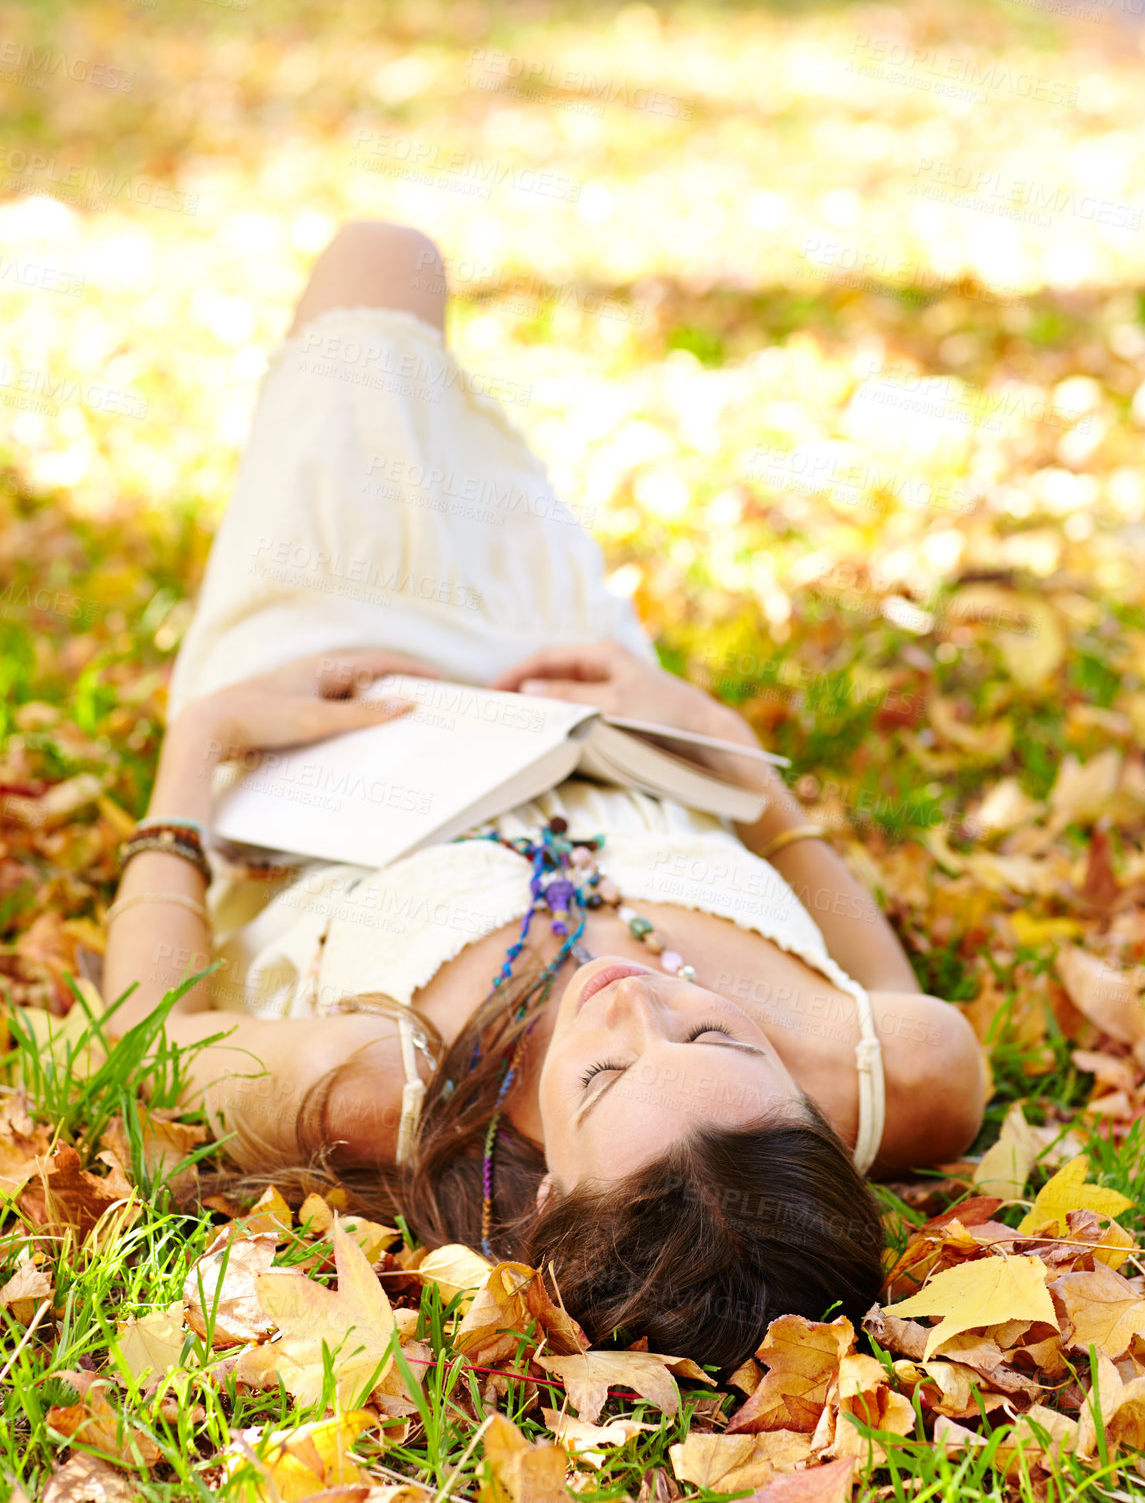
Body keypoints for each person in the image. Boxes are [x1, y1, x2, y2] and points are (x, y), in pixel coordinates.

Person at [100, 220, 986, 1372]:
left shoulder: (388, 1085)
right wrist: (734, 756)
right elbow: (873, 988)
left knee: (382, 263)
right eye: (713, 1027)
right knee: (477, 428)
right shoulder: (893, 1067)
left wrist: (200, 740)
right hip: (580, 692)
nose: (629, 1000)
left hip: (331, 684)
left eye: (605, 1073)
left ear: (555, 1181)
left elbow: (140, 1062)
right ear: (806, 1113)